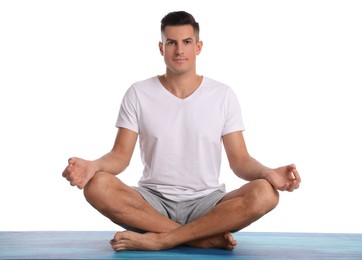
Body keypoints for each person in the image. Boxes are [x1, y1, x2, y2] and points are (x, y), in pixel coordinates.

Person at [62, 11, 301, 251]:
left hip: (208, 203)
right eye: (171, 43)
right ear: (161, 47)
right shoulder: (138, 93)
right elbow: (119, 157)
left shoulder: (223, 95)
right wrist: (93, 165)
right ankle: (199, 237)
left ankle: (162, 238)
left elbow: (240, 161)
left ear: (198, 47)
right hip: (152, 202)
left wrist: (268, 172)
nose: (179, 50)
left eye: (186, 42)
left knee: (266, 194)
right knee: (97, 186)